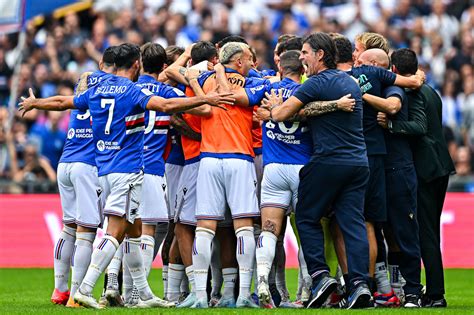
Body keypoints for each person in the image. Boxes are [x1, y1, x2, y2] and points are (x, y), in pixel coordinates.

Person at [19, 43, 235, 309]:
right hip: (128, 171)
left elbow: (64, 102)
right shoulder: (133, 91)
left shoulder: (96, 88)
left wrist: (35, 103)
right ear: (135, 65)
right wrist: (206, 99)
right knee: (116, 231)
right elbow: (166, 104)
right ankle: (85, 288)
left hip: (105, 170)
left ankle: (143, 294)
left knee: (134, 232)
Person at [264, 32, 372, 309]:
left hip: (328, 161)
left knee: (307, 216)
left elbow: (281, 114)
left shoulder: (315, 83)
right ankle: (359, 284)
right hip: (358, 163)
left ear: (320, 55)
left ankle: (321, 276)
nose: (301, 58)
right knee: (353, 223)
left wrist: (276, 107)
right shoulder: (349, 82)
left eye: (305, 52)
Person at [377, 48, 456, 308]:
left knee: (426, 233)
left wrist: (391, 126)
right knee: (429, 231)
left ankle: (435, 295)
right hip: (439, 165)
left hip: (425, 168)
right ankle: (435, 290)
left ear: (395, 71)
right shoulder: (431, 91)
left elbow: (420, 127)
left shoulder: (414, 93)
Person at [49, 46, 117, 307]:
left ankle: (60, 289)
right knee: (86, 231)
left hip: (65, 161)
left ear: (102, 63)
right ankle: (77, 295)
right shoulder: (116, 86)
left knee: (68, 228)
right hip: (87, 165)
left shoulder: (85, 80)